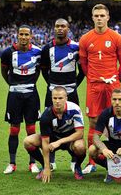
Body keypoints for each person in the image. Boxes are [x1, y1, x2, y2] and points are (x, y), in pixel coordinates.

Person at [79, 4, 121, 174]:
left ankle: (119, 159)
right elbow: (84, 64)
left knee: (116, 121)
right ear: (92, 18)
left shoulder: (117, 38)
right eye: (96, 15)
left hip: (112, 85)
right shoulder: (85, 39)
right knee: (93, 121)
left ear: (108, 17)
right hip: (94, 86)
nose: (99, 18)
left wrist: (115, 81)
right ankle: (92, 161)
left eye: (102, 15)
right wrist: (93, 79)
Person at [41, 18, 84, 172]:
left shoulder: (76, 48)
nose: (60, 29)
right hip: (52, 92)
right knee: (49, 124)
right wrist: (52, 87)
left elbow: (82, 71)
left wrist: (73, 86)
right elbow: (44, 69)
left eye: (63, 26)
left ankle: (74, 160)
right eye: (57, 26)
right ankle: (51, 160)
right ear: (54, 28)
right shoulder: (47, 48)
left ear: (68, 28)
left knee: (74, 124)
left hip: (71, 92)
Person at [0, 25, 41, 174]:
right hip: (14, 95)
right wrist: (14, 85)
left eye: (26, 35)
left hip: (31, 94)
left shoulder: (38, 52)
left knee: (31, 129)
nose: (24, 37)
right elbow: (4, 72)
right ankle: (12, 163)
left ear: (31, 36)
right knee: (14, 129)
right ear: (17, 35)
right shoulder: (7, 53)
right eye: (21, 34)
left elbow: (38, 71)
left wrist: (29, 84)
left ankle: (32, 163)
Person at [23, 86, 86, 183]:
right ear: (51, 98)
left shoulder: (75, 109)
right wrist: (47, 167)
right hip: (52, 139)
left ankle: (77, 166)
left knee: (80, 146)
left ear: (66, 98)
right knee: (28, 141)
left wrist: (60, 142)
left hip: (70, 140)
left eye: (60, 98)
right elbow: (45, 142)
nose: (57, 101)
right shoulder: (46, 115)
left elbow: (80, 133)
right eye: (54, 98)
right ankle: (44, 166)